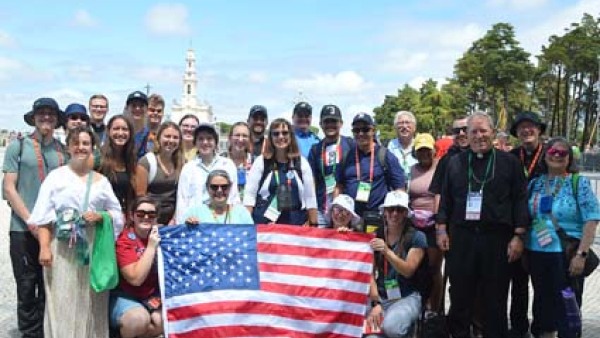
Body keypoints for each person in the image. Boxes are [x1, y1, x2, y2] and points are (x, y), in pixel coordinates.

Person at [436, 112, 529, 338]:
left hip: (497, 239)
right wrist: (440, 228)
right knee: (460, 296)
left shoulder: (510, 162)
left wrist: (519, 236)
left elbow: (520, 200)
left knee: (495, 298)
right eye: (473, 132)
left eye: (483, 131)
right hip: (462, 238)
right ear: (466, 135)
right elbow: (445, 199)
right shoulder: (454, 162)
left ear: (493, 133)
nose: (479, 136)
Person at [28, 126, 124, 338]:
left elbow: (117, 214)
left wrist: (101, 216)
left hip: (92, 246)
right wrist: (44, 247)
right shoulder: (56, 177)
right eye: (76, 143)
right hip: (62, 247)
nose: (81, 147)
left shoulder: (101, 181)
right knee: (62, 298)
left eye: (85, 143)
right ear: (68, 147)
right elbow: (43, 216)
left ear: (92, 148)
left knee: (90, 300)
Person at [3, 97, 66, 338]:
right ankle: (30, 334)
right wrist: (31, 220)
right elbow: (9, 188)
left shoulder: (62, 150)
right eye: (42, 113)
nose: (46, 117)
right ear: (34, 117)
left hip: (54, 230)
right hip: (23, 228)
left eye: (51, 114)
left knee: (50, 285)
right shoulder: (18, 147)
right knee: (27, 286)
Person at [526, 137, 599, 338]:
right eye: (552, 152)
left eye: (562, 153)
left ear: (569, 158)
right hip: (538, 253)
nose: (556, 155)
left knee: (568, 305)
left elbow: (591, 220)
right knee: (542, 305)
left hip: (566, 255)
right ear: (545, 155)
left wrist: (581, 255)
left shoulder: (578, 183)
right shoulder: (535, 184)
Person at [365, 191, 427, 338]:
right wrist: (375, 303)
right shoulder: (375, 235)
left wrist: (387, 252)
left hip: (407, 296)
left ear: (406, 213)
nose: (394, 213)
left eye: (399, 210)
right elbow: (369, 273)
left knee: (391, 327)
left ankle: (411, 329)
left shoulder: (417, 237)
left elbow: (408, 270)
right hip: (381, 296)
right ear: (384, 212)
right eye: (390, 209)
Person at [509, 111, 548, 338]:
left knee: (542, 283)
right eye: (521, 127)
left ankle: (542, 326)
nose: (526, 130)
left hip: (544, 229)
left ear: (539, 129)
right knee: (518, 283)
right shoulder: (512, 156)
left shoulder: (551, 155)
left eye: (530, 126)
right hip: (517, 229)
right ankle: (518, 327)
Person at [335, 113, 405, 234]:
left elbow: (400, 189)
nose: (361, 134)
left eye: (365, 129)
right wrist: (336, 214)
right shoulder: (347, 156)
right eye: (356, 130)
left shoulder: (385, 155)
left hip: (379, 219)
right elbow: (339, 186)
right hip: (351, 219)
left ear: (373, 131)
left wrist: (396, 217)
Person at [244, 118, 318, 226]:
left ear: (291, 136)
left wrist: (314, 223)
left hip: (294, 226)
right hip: (265, 227)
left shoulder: (301, 163)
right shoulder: (261, 162)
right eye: (276, 134)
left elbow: (310, 196)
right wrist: (247, 225)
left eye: (285, 133)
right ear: (271, 137)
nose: (281, 137)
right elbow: (250, 196)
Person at [110, 196, 164, 338]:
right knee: (139, 320)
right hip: (126, 295)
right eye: (140, 214)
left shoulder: (164, 235)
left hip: (151, 295)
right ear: (132, 216)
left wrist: (192, 225)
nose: (146, 217)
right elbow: (135, 279)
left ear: (156, 218)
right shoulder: (124, 240)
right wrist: (151, 247)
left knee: (164, 320)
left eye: (151, 214)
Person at [408, 133, 443, 315]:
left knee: (434, 268)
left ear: (434, 150)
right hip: (415, 224)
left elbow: (441, 194)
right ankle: (418, 306)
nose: (424, 154)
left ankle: (435, 310)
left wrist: (439, 222)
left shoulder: (440, 167)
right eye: (420, 150)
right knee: (417, 268)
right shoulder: (412, 169)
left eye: (427, 150)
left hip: (434, 224)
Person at [176, 123, 239, 222]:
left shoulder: (228, 165)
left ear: (215, 142)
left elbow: (234, 197)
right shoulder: (188, 168)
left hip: (223, 221)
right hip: (195, 222)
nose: (205, 142)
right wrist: (183, 224)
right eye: (200, 139)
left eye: (209, 138)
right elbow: (182, 201)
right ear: (195, 143)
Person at [307, 104, 353, 227]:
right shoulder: (315, 149)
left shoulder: (350, 144)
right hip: (322, 210)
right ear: (321, 124)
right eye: (326, 122)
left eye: (334, 121)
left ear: (341, 123)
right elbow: (312, 181)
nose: (330, 125)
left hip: (346, 212)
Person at [136, 122, 183, 225]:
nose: (171, 140)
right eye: (167, 136)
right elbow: (140, 196)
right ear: (158, 138)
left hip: (174, 222)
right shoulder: (146, 162)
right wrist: (152, 222)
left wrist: (174, 219)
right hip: (150, 220)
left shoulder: (182, 164)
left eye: (175, 137)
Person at [179, 170, 254, 225]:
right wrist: (187, 226)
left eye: (224, 187)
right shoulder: (194, 212)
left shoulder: (242, 213)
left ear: (230, 187)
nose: (219, 190)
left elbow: (250, 238)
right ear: (207, 187)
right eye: (214, 187)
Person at [98, 115, 138, 213]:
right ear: (108, 131)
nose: (120, 133)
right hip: (102, 217)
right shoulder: (98, 158)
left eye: (125, 129)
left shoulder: (131, 160)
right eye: (116, 129)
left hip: (123, 217)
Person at [387, 111, 418, 177]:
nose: (404, 126)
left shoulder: (420, 145)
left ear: (414, 127)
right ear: (395, 127)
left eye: (407, 122)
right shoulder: (390, 146)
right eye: (400, 123)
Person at [227, 122, 253, 200]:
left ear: (249, 139)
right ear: (229, 138)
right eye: (237, 135)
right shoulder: (219, 161)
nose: (241, 139)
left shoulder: (256, 162)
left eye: (245, 136)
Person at [124, 91, 150, 159]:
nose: (137, 109)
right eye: (133, 105)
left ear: (147, 109)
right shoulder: (120, 133)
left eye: (141, 106)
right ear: (127, 108)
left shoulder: (150, 136)